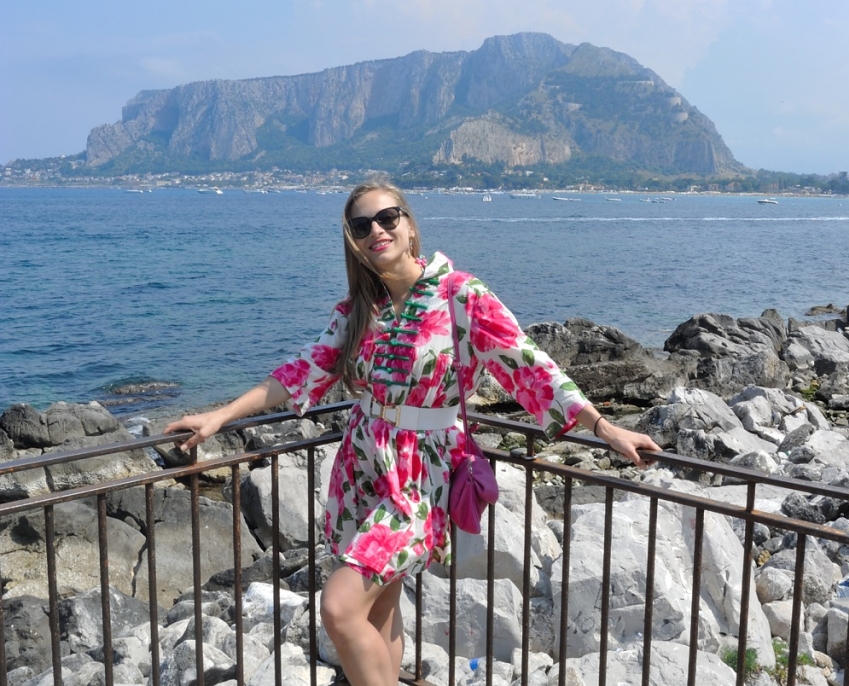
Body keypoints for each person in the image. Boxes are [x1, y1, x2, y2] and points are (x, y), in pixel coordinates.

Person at [164, 181, 659, 686]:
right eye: (361, 226)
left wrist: (602, 426)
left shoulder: (459, 294)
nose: (376, 231)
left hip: (422, 478)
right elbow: (299, 372)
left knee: (338, 607)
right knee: (378, 613)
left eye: (387, 217)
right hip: (364, 465)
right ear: (352, 241)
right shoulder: (358, 310)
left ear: (409, 224)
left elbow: (531, 365)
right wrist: (220, 416)